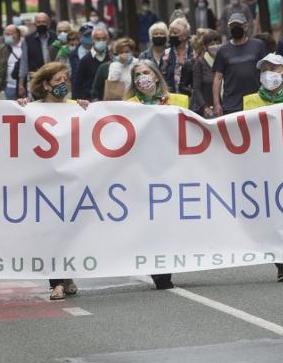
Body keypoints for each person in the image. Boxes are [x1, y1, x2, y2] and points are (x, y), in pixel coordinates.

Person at [17, 62, 87, 300]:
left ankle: (66, 275)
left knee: (68, 230)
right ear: (46, 84)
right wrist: (20, 108)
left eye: (65, 79)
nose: (62, 84)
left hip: (70, 179)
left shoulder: (75, 108)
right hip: (44, 179)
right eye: (57, 80)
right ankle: (56, 282)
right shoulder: (33, 109)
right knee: (50, 231)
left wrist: (87, 110)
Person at [240, 54, 283, 282]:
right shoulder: (249, 101)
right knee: (272, 216)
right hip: (264, 167)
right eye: (265, 69)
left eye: (274, 68)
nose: (270, 73)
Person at [124, 59, 188, 291]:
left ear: (156, 75)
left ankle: (167, 262)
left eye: (146, 72)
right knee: (150, 219)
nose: (143, 77)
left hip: (172, 168)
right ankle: (159, 269)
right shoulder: (127, 106)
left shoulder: (178, 101)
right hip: (142, 171)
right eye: (138, 74)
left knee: (169, 219)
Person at [211, 14, 269, 117]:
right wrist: (216, 104)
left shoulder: (259, 46)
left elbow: (267, 71)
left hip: (256, 102)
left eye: (238, 25)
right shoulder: (223, 51)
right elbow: (218, 78)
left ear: (246, 27)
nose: (235, 28)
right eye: (233, 26)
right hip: (231, 105)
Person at [19, 13, 56, 95]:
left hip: (54, 78)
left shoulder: (55, 37)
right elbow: (24, 62)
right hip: (36, 78)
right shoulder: (28, 40)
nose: (41, 24)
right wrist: (21, 84)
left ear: (49, 23)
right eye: (39, 22)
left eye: (44, 22)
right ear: (35, 24)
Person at [189, 30, 223, 117]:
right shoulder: (200, 64)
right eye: (211, 44)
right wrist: (205, 107)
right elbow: (196, 89)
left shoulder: (226, 61)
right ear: (205, 47)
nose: (215, 46)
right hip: (208, 112)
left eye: (217, 43)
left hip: (227, 107)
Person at [74, 26, 109, 102]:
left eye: (104, 39)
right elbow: (78, 83)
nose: (101, 41)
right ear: (92, 40)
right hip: (90, 100)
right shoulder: (85, 60)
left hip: (109, 99)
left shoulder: (111, 57)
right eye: (98, 39)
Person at [0, 24, 24, 100]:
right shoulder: (3, 48)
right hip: (9, 86)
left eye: (8, 34)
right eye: (5, 34)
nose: (6, 36)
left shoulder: (25, 47)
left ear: (16, 34)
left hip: (23, 86)